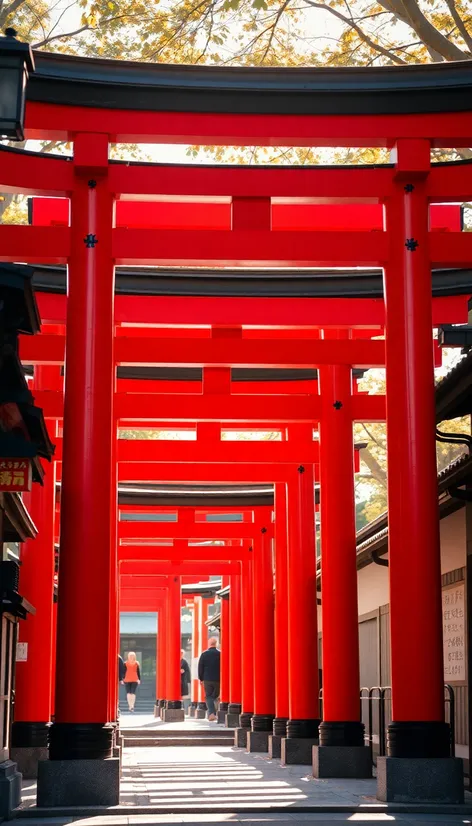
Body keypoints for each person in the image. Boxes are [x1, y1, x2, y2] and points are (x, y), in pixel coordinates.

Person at [198, 637, 220, 721]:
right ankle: (213, 712)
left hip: (207, 678)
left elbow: (200, 667)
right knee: (215, 696)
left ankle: (211, 713)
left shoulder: (204, 654)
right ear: (216, 644)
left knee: (209, 696)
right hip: (218, 678)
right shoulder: (220, 654)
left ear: (209, 644)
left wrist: (201, 678)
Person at [181, 649, 191, 713]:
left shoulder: (184, 662)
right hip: (175, 680)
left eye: (181, 653)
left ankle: (183, 707)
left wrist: (183, 671)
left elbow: (187, 671)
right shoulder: (174, 660)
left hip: (182, 679)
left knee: (182, 694)